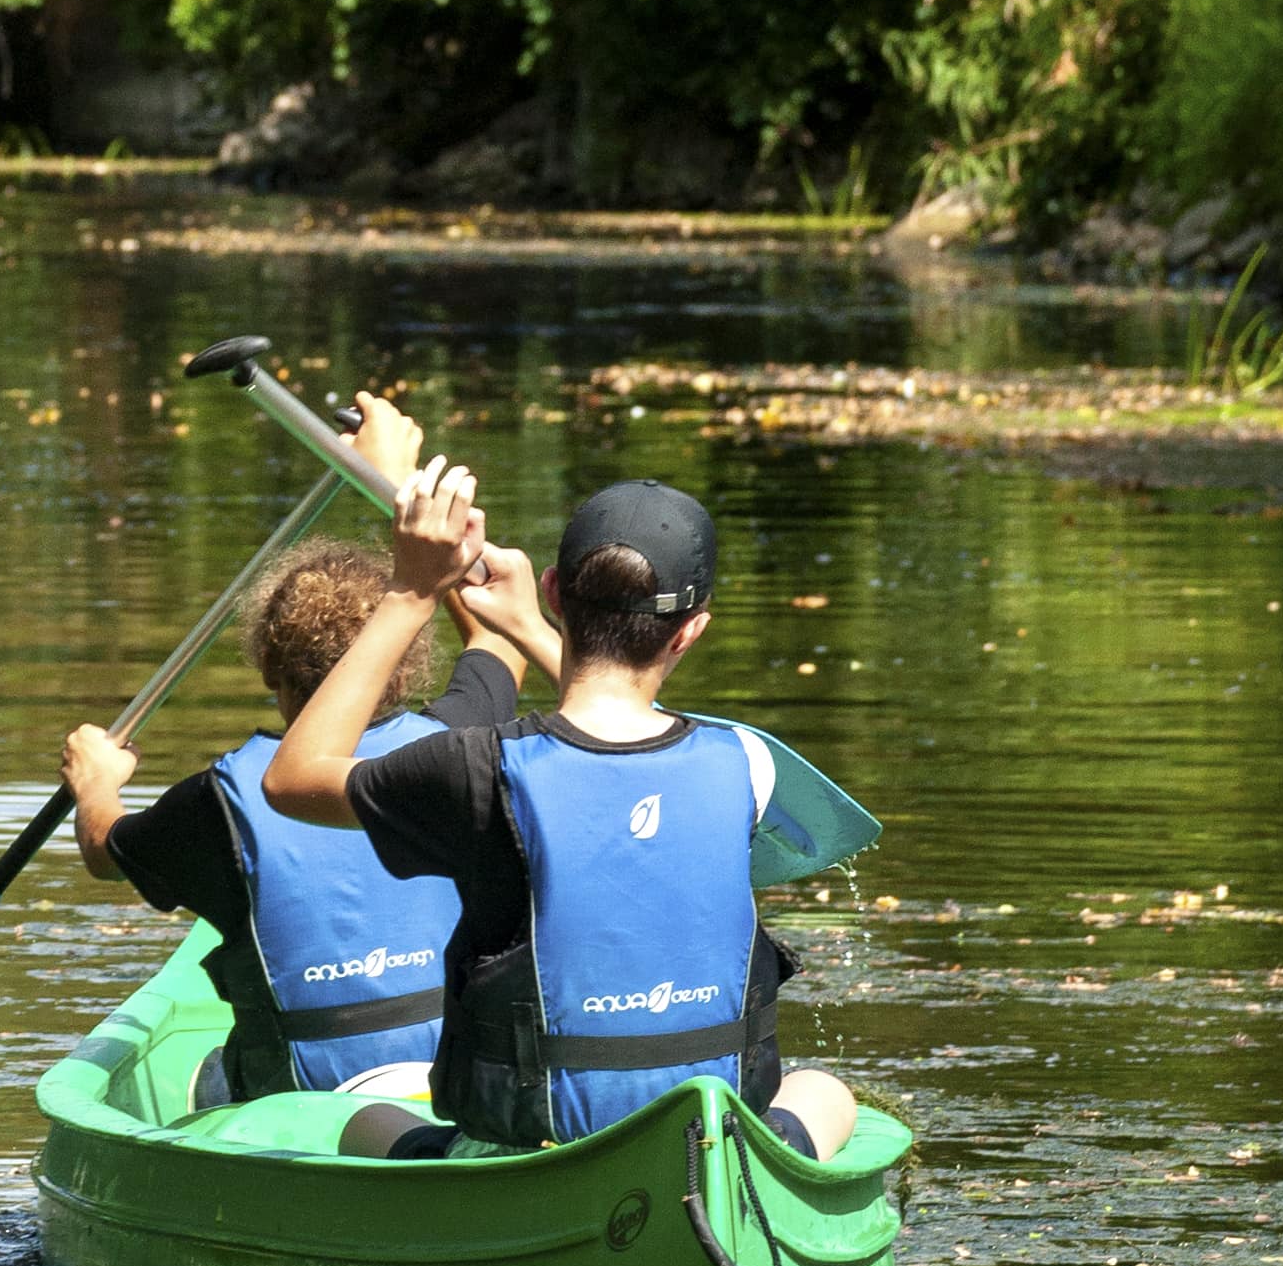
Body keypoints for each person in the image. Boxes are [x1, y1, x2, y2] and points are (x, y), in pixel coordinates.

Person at [264, 459, 860, 1162]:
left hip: (527, 1153)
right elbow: (629, 741)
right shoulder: (749, 766)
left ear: (554, 589)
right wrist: (528, 629)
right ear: (690, 631)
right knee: (827, 1093)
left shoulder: (475, 771)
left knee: (362, 1122)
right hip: (712, 1145)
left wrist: (411, 592)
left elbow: (292, 777)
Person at [61, 418, 564, 1122]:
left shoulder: (219, 802)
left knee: (206, 1075)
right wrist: (402, 493)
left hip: (303, 1102)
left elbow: (106, 850)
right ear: (408, 655)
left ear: (266, 663)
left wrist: (96, 782)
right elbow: (496, 634)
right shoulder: (463, 742)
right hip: (458, 1081)